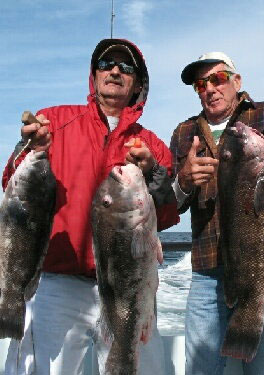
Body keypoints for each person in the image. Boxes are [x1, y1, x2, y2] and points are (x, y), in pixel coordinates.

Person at [1, 38, 179, 375]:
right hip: (58, 284)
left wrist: (153, 172)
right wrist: (27, 146)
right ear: (93, 75)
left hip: (129, 285)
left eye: (126, 67)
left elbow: (167, 216)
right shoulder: (54, 122)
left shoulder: (152, 144)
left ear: (139, 84)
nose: (115, 71)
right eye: (106, 64)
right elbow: (14, 183)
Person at [170, 52, 264, 375]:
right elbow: (171, 205)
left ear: (237, 81)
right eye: (200, 84)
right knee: (200, 369)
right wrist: (184, 179)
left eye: (218, 79)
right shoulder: (185, 132)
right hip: (208, 271)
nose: (210, 88)